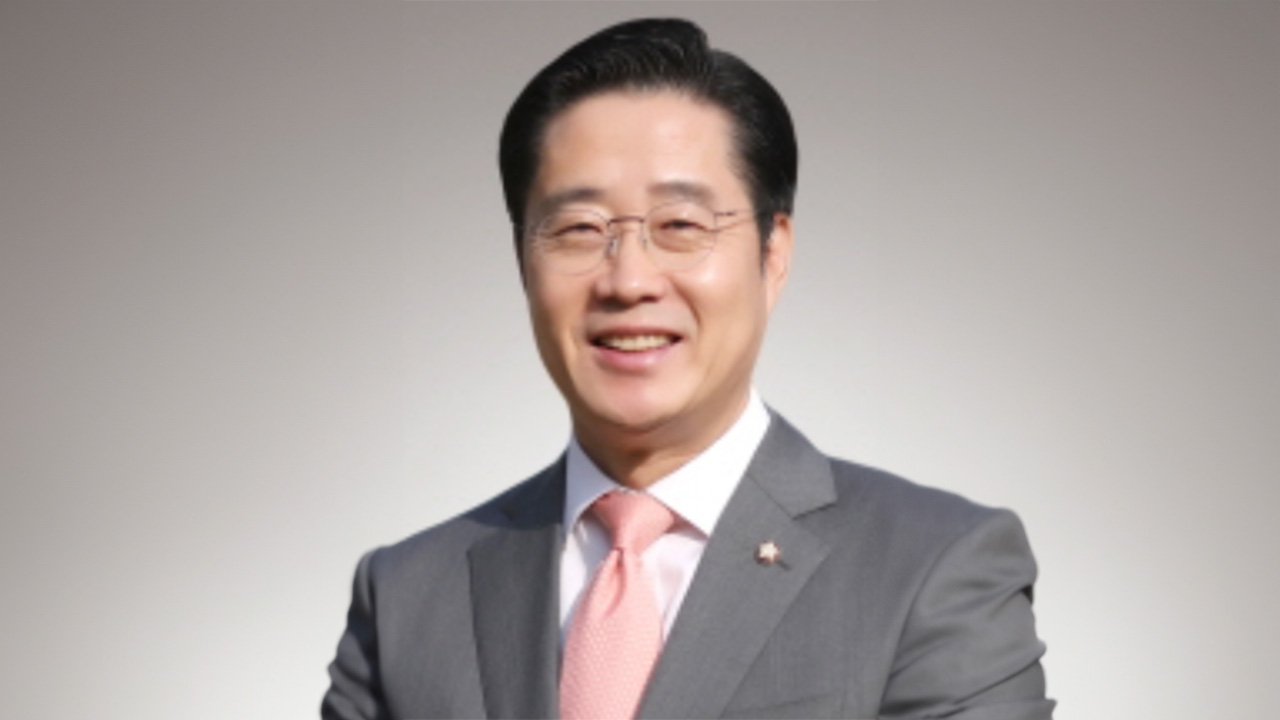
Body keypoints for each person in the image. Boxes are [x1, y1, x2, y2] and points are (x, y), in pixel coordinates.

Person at [322, 18, 1053, 720]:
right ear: (522, 261)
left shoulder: (932, 568)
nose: (628, 280)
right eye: (578, 229)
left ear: (773, 254)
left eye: (681, 225)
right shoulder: (408, 598)